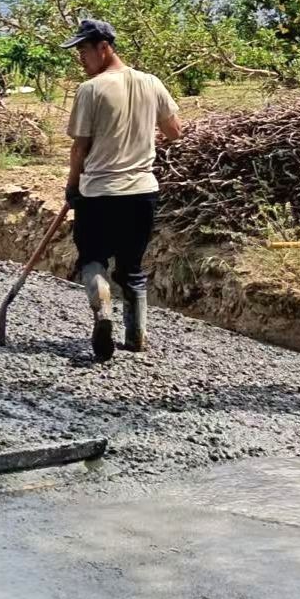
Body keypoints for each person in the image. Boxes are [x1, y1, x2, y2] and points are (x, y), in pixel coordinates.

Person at [62, 18, 182, 361]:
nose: (81, 58)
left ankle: (103, 311)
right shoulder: (151, 83)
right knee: (132, 266)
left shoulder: (91, 90)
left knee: (92, 258)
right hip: (142, 192)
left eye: (84, 50)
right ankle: (137, 335)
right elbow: (175, 132)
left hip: (99, 192)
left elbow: (79, 147)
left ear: (104, 47)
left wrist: (72, 187)